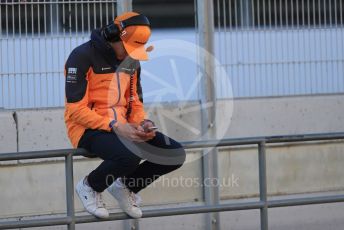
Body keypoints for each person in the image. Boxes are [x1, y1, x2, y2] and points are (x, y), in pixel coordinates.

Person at [64, 12, 186, 219]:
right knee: (130, 154)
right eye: (128, 48)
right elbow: (75, 110)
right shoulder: (81, 56)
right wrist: (115, 126)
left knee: (174, 154)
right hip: (87, 128)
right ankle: (90, 186)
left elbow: (135, 102)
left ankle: (126, 186)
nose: (130, 54)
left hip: (122, 127)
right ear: (114, 36)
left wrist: (142, 124)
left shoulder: (132, 61)